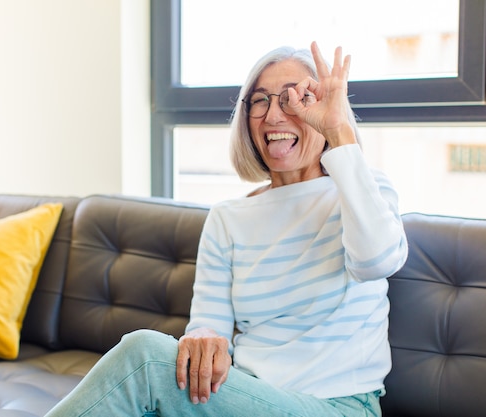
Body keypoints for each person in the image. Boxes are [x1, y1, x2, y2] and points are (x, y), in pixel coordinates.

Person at [45, 41, 408, 417]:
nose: (272, 115)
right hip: (245, 399)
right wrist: (203, 340)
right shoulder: (228, 218)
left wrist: (339, 131)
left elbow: (377, 261)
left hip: (338, 407)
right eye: (260, 100)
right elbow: (208, 325)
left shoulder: (363, 189)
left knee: (145, 361)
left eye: (295, 99)